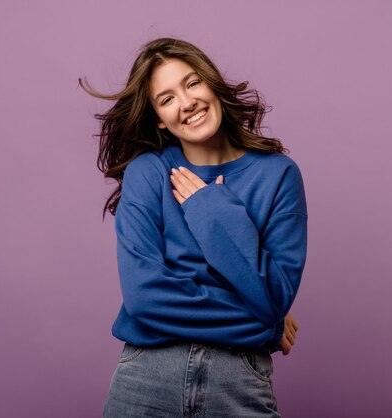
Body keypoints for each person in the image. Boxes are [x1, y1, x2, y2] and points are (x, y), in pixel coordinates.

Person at [80, 37, 308, 418]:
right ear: (158, 117)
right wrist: (265, 325)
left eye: (192, 83)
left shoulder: (278, 175)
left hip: (239, 381)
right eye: (166, 99)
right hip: (146, 380)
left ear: (212, 83)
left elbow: (275, 297)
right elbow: (144, 298)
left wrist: (212, 210)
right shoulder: (148, 172)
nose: (186, 103)